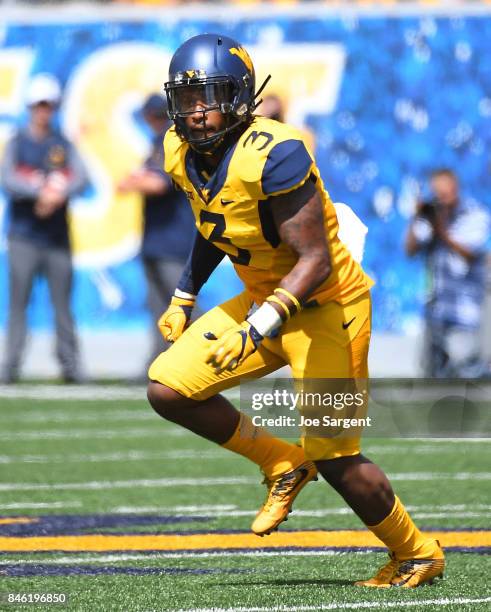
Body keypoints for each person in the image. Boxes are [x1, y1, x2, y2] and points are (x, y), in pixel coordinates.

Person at [146, 34, 445, 588]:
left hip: (327, 304)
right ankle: (280, 461)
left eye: (207, 97)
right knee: (169, 388)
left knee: (335, 455)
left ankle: (417, 552)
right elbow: (216, 222)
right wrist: (185, 293)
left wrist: (260, 324)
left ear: (237, 97)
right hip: (266, 299)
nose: (196, 112)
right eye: (185, 100)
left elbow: (317, 260)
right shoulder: (179, 150)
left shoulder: (276, 153)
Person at [0, 73, 88, 384]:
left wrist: (57, 195)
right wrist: (42, 194)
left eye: (49, 105)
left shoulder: (62, 142)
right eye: (40, 105)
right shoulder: (17, 142)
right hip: (24, 236)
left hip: (56, 238)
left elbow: (81, 177)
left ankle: (71, 365)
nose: (44, 111)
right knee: (18, 305)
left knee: (63, 307)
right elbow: (7, 178)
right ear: (30, 106)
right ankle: (10, 365)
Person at [118, 93, 195, 371]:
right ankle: (160, 363)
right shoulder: (158, 141)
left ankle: (210, 352)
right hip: (156, 239)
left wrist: (135, 181)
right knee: (159, 308)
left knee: (183, 306)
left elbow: (159, 183)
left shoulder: (171, 139)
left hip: (172, 238)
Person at [406, 168, 491, 378]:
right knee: (432, 373)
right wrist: (417, 217)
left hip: (466, 310)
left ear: (456, 189)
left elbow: (470, 253)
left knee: (466, 371)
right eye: (438, 195)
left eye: (446, 194)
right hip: (436, 311)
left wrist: (440, 229)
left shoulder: (474, 215)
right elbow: (410, 249)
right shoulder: (431, 219)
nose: (442, 200)